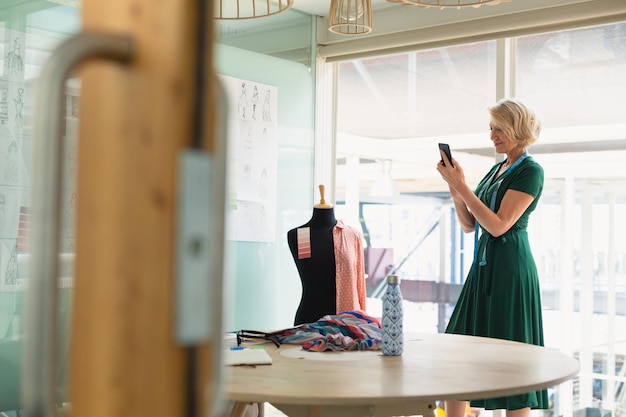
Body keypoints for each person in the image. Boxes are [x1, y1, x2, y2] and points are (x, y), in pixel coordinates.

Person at [436, 98, 548, 417]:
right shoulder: (497, 168)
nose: (492, 136)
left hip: (510, 268)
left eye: (499, 129)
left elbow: (499, 226)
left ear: (517, 128)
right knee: (458, 350)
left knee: (513, 360)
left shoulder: (531, 171)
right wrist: (455, 189)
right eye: (491, 128)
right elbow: (470, 225)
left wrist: (462, 186)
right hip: (483, 268)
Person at [287, 185, 366, 325]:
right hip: (310, 319)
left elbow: (360, 286)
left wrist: (363, 323)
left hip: (347, 323)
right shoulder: (300, 235)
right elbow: (309, 272)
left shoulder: (352, 235)